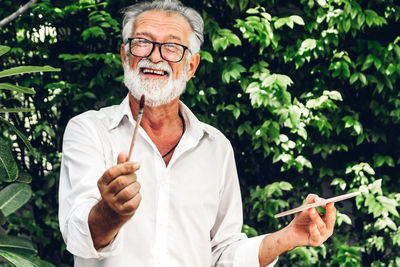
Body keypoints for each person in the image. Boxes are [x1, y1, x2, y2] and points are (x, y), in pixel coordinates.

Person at [58, 0, 336, 266]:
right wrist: (111, 212)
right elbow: (77, 237)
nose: (155, 56)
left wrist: (288, 236)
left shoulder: (216, 147)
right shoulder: (89, 130)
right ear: (125, 55)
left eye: (171, 47)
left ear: (191, 66)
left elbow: (223, 254)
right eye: (142, 42)